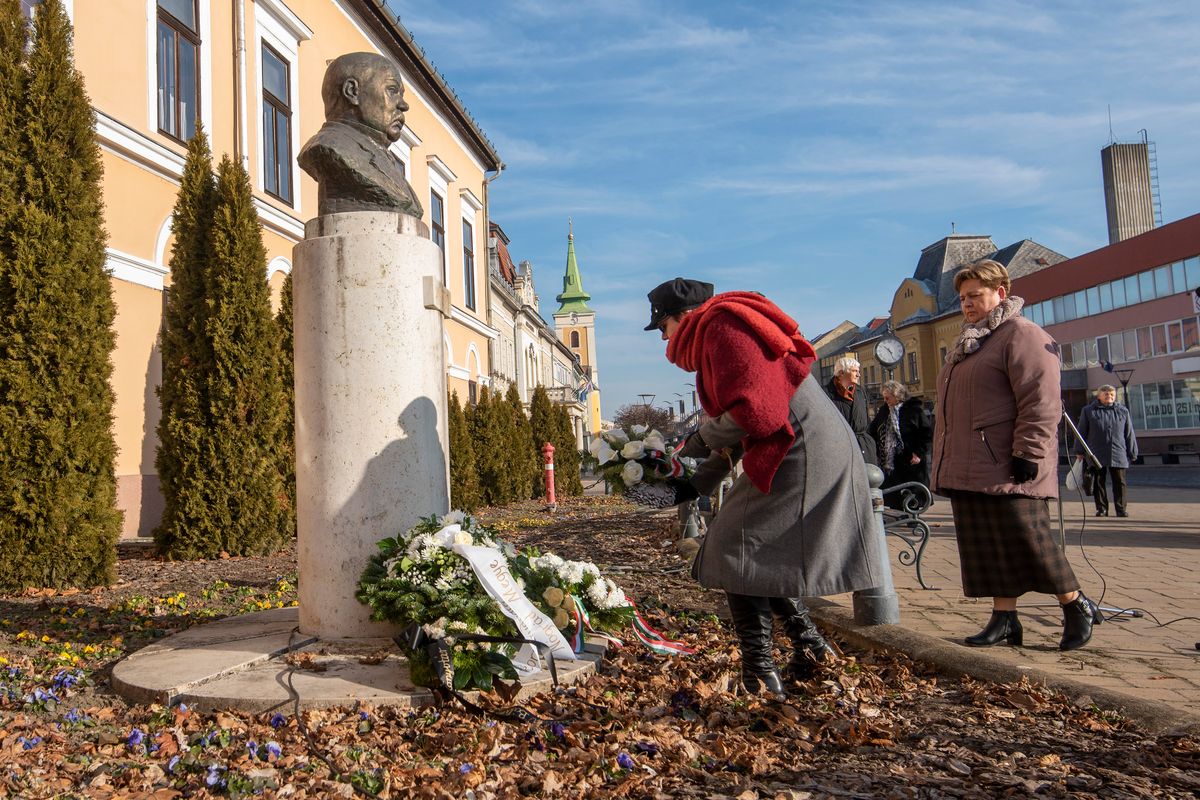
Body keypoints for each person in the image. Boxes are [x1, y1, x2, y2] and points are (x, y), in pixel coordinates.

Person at [639, 277, 883, 697]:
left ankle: (759, 674)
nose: (663, 338)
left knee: (736, 547)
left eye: (662, 328)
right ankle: (809, 646)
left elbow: (758, 413)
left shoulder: (721, 328)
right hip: (799, 442)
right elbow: (742, 426)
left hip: (800, 445)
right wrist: (688, 487)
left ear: (682, 318)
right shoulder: (717, 331)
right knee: (755, 551)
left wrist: (694, 443)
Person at [932, 259, 1100, 652]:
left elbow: (1041, 401)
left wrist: (1029, 451)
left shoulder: (1021, 334)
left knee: (1031, 540)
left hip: (1010, 463)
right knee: (986, 544)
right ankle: (1004, 618)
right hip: (971, 464)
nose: (967, 304)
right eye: (962, 298)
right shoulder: (971, 342)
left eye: (975, 295)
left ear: (1001, 293)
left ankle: (1076, 606)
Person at [297, 52, 424, 218]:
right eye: (392, 91)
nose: (403, 105)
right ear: (352, 91)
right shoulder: (330, 147)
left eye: (401, 94)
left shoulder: (382, 156)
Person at [868, 380, 932, 509]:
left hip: (911, 459)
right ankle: (902, 515)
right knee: (895, 492)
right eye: (884, 397)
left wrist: (918, 453)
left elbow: (926, 433)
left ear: (896, 395)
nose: (885, 400)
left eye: (888, 397)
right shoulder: (884, 411)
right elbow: (873, 430)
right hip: (892, 461)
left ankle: (913, 516)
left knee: (912, 491)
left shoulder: (913, 410)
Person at [1076, 385, 1138, 517]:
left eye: (1111, 394)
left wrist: (1132, 451)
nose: (1109, 396)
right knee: (1098, 482)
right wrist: (1079, 450)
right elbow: (1081, 431)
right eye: (1106, 394)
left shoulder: (1123, 411)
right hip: (1096, 452)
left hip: (1118, 451)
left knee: (1120, 482)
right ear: (1098, 396)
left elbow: (1129, 433)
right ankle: (1102, 509)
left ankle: (1121, 509)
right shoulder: (1088, 411)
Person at [824, 357, 877, 466]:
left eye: (858, 371)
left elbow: (866, 420)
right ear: (841, 373)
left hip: (864, 448)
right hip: (840, 449)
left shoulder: (860, 391)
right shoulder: (825, 393)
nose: (859, 375)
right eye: (854, 371)